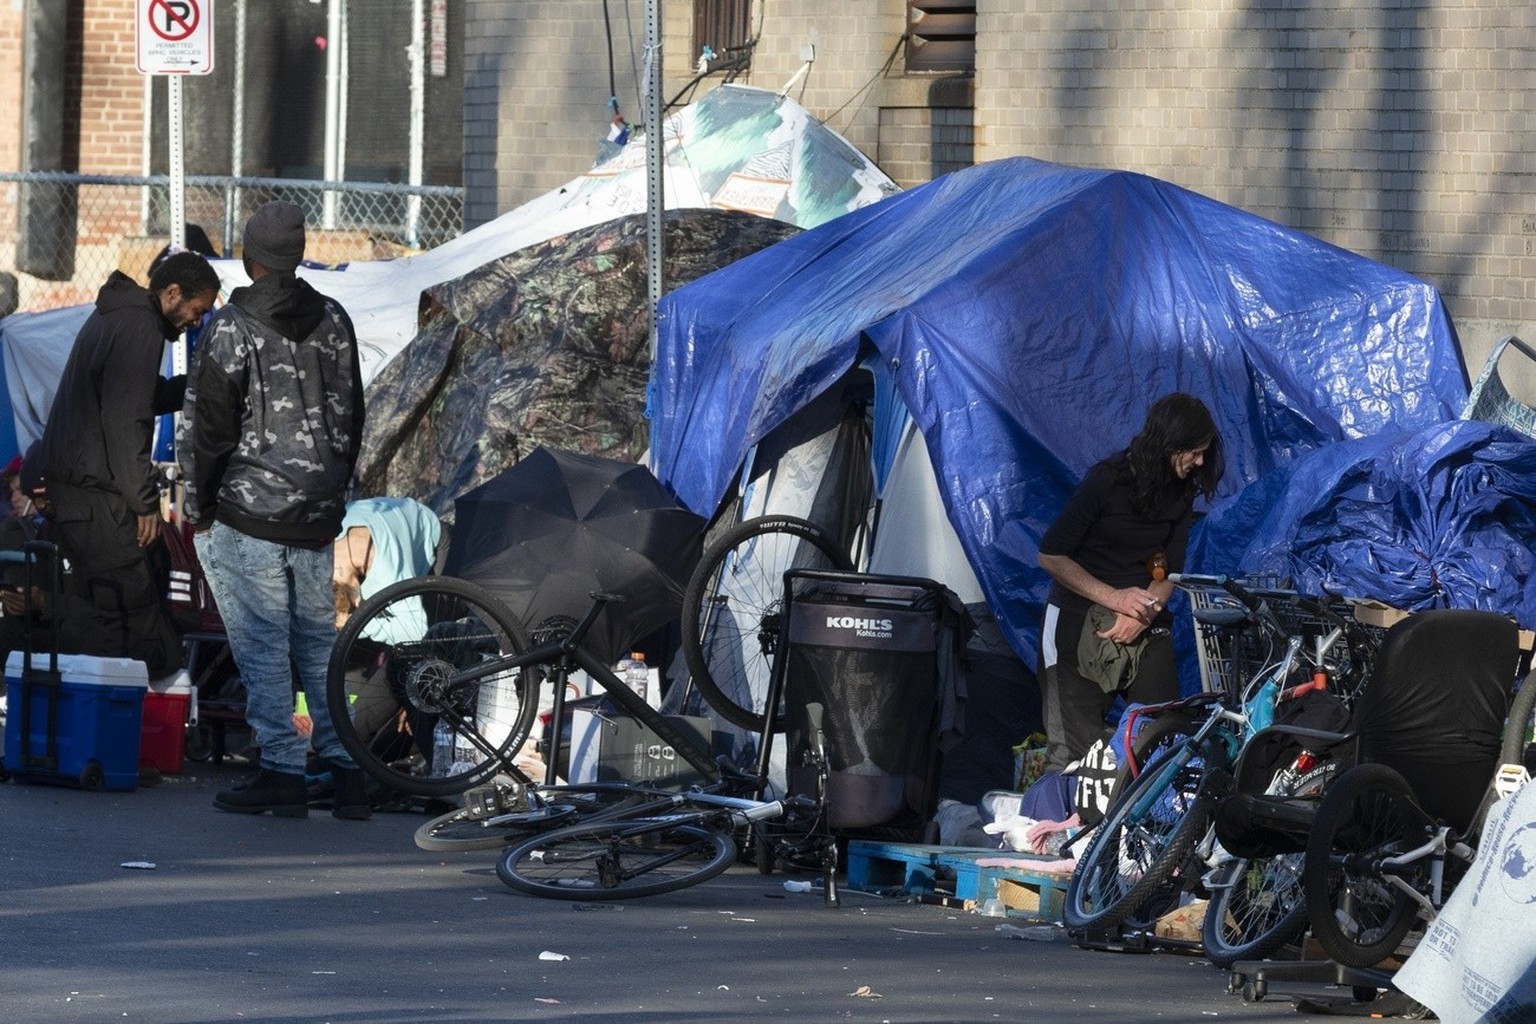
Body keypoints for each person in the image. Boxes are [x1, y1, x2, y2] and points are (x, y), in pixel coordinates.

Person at [178, 200, 370, 820]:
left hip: (248, 511)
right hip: (316, 510)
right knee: (317, 642)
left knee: (262, 643)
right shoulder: (335, 318)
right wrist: (332, 486)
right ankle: (345, 770)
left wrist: (201, 503)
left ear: (247, 257)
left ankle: (282, 768)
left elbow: (210, 426)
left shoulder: (232, 327)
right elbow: (354, 410)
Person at [30, 251, 220, 678]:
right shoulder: (141, 326)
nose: (196, 321)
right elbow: (126, 419)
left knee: (101, 606)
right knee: (126, 609)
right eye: (197, 310)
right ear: (172, 294)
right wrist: (143, 502)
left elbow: (134, 395)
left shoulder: (119, 316)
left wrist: (188, 389)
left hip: (78, 492)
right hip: (95, 496)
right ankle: (124, 719)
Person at [1036, 392, 1225, 774]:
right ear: (1168, 443)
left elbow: (1171, 566)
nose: (1200, 461)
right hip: (1079, 621)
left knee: (1164, 739)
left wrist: (1144, 612)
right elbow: (1051, 555)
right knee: (1076, 757)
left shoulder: (1182, 489)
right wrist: (1116, 599)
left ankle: (1153, 826)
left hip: (1143, 621)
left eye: (1205, 451)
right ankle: (1060, 828)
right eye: (1193, 451)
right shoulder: (1107, 481)